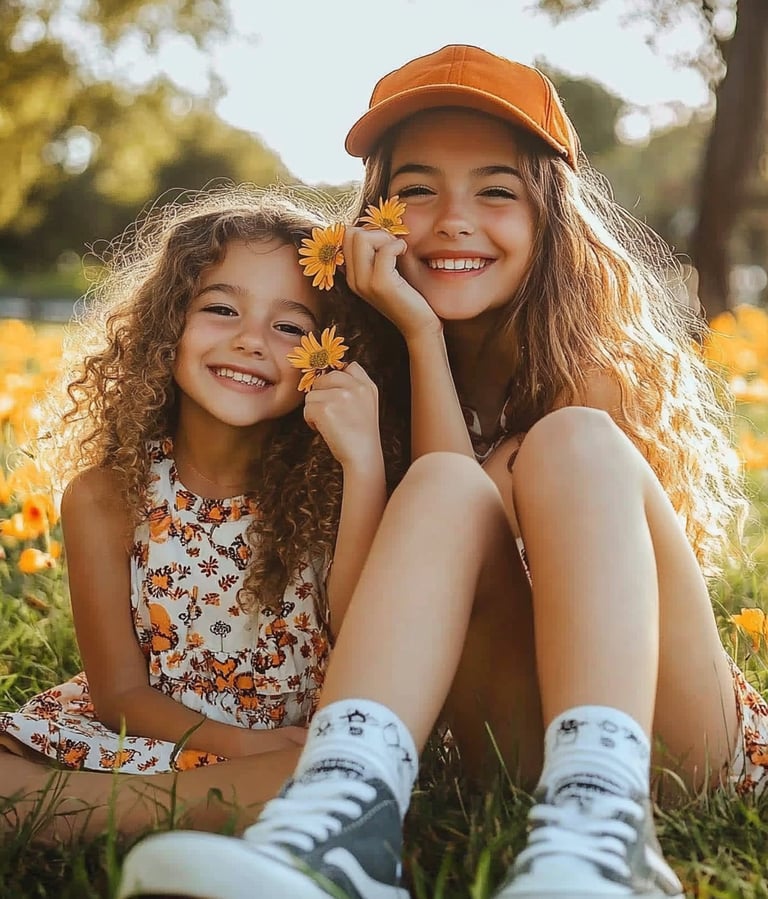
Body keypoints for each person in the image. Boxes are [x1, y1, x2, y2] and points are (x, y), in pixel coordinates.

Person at [117, 45, 768, 898]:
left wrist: (424, 338)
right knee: (444, 485)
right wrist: (412, 343)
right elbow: (372, 610)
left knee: (565, 441)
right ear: (373, 218)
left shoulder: (588, 368)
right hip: (511, 741)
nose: (452, 219)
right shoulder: (351, 370)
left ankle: (605, 831)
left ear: (549, 220)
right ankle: (341, 826)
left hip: (663, 732)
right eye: (416, 190)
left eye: (496, 191)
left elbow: (484, 503)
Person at [0, 186, 409, 839]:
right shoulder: (107, 498)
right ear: (168, 327)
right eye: (221, 308)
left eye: (289, 327)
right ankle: (150, 803)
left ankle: (68, 810)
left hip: (308, 744)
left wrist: (363, 466)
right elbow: (121, 698)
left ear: (328, 356)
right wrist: (246, 747)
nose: (251, 341)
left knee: (328, 769)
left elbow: (362, 631)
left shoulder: (334, 492)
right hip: (166, 735)